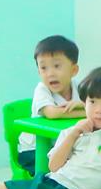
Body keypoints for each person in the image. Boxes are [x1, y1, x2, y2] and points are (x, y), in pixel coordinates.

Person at [20, 35, 82, 177]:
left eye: (57, 66)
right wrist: (86, 112)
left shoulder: (80, 87)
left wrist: (81, 105)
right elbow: (52, 113)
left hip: (62, 148)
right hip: (34, 150)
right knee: (63, 174)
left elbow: (98, 105)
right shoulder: (42, 89)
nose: (50, 74)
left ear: (73, 70)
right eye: (43, 68)